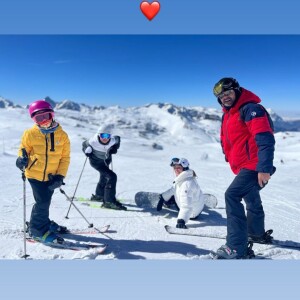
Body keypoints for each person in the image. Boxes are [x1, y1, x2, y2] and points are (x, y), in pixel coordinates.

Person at [212, 77, 276, 259]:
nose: (225, 97)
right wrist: (228, 155)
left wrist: (264, 168)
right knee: (250, 196)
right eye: (221, 95)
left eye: (228, 92)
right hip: (244, 165)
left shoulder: (251, 108)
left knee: (232, 195)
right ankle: (256, 233)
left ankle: (236, 247)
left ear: (237, 90)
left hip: (255, 165)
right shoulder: (229, 113)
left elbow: (265, 138)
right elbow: (228, 138)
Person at [16, 100, 70, 244]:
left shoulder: (62, 135)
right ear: (34, 120)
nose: (44, 121)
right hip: (34, 174)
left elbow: (65, 158)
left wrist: (60, 176)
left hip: (52, 176)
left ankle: (43, 222)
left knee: (46, 201)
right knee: (43, 201)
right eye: (38, 118)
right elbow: (23, 151)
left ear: (52, 115)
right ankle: (37, 230)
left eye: (46, 116)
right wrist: (21, 160)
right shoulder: (30, 133)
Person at [82, 132, 127, 210]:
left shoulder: (112, 140)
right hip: (97, 163)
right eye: (103, 136)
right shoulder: (93, 142)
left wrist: (115, 147)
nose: (105, 138)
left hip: (106, 161)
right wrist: (86, 150)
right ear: (99, 136)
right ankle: (109, 202)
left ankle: (99, 195)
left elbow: (118, 138)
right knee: (111, 177)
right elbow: (84, 144)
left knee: (105, 176)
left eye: (107, 136)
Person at [157, 158, 205, 228]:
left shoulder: (186, 184)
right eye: (175, 168)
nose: (176, 170)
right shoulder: (183, 178)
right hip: (195, 205)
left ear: (185, 168)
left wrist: (181, 220)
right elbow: (173, 189)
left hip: (192, 214)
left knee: (180, 197)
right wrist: (163, 197)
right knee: (176, 193)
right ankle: (170, 200)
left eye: (179, 167)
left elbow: (186, 206)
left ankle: (169, 202)